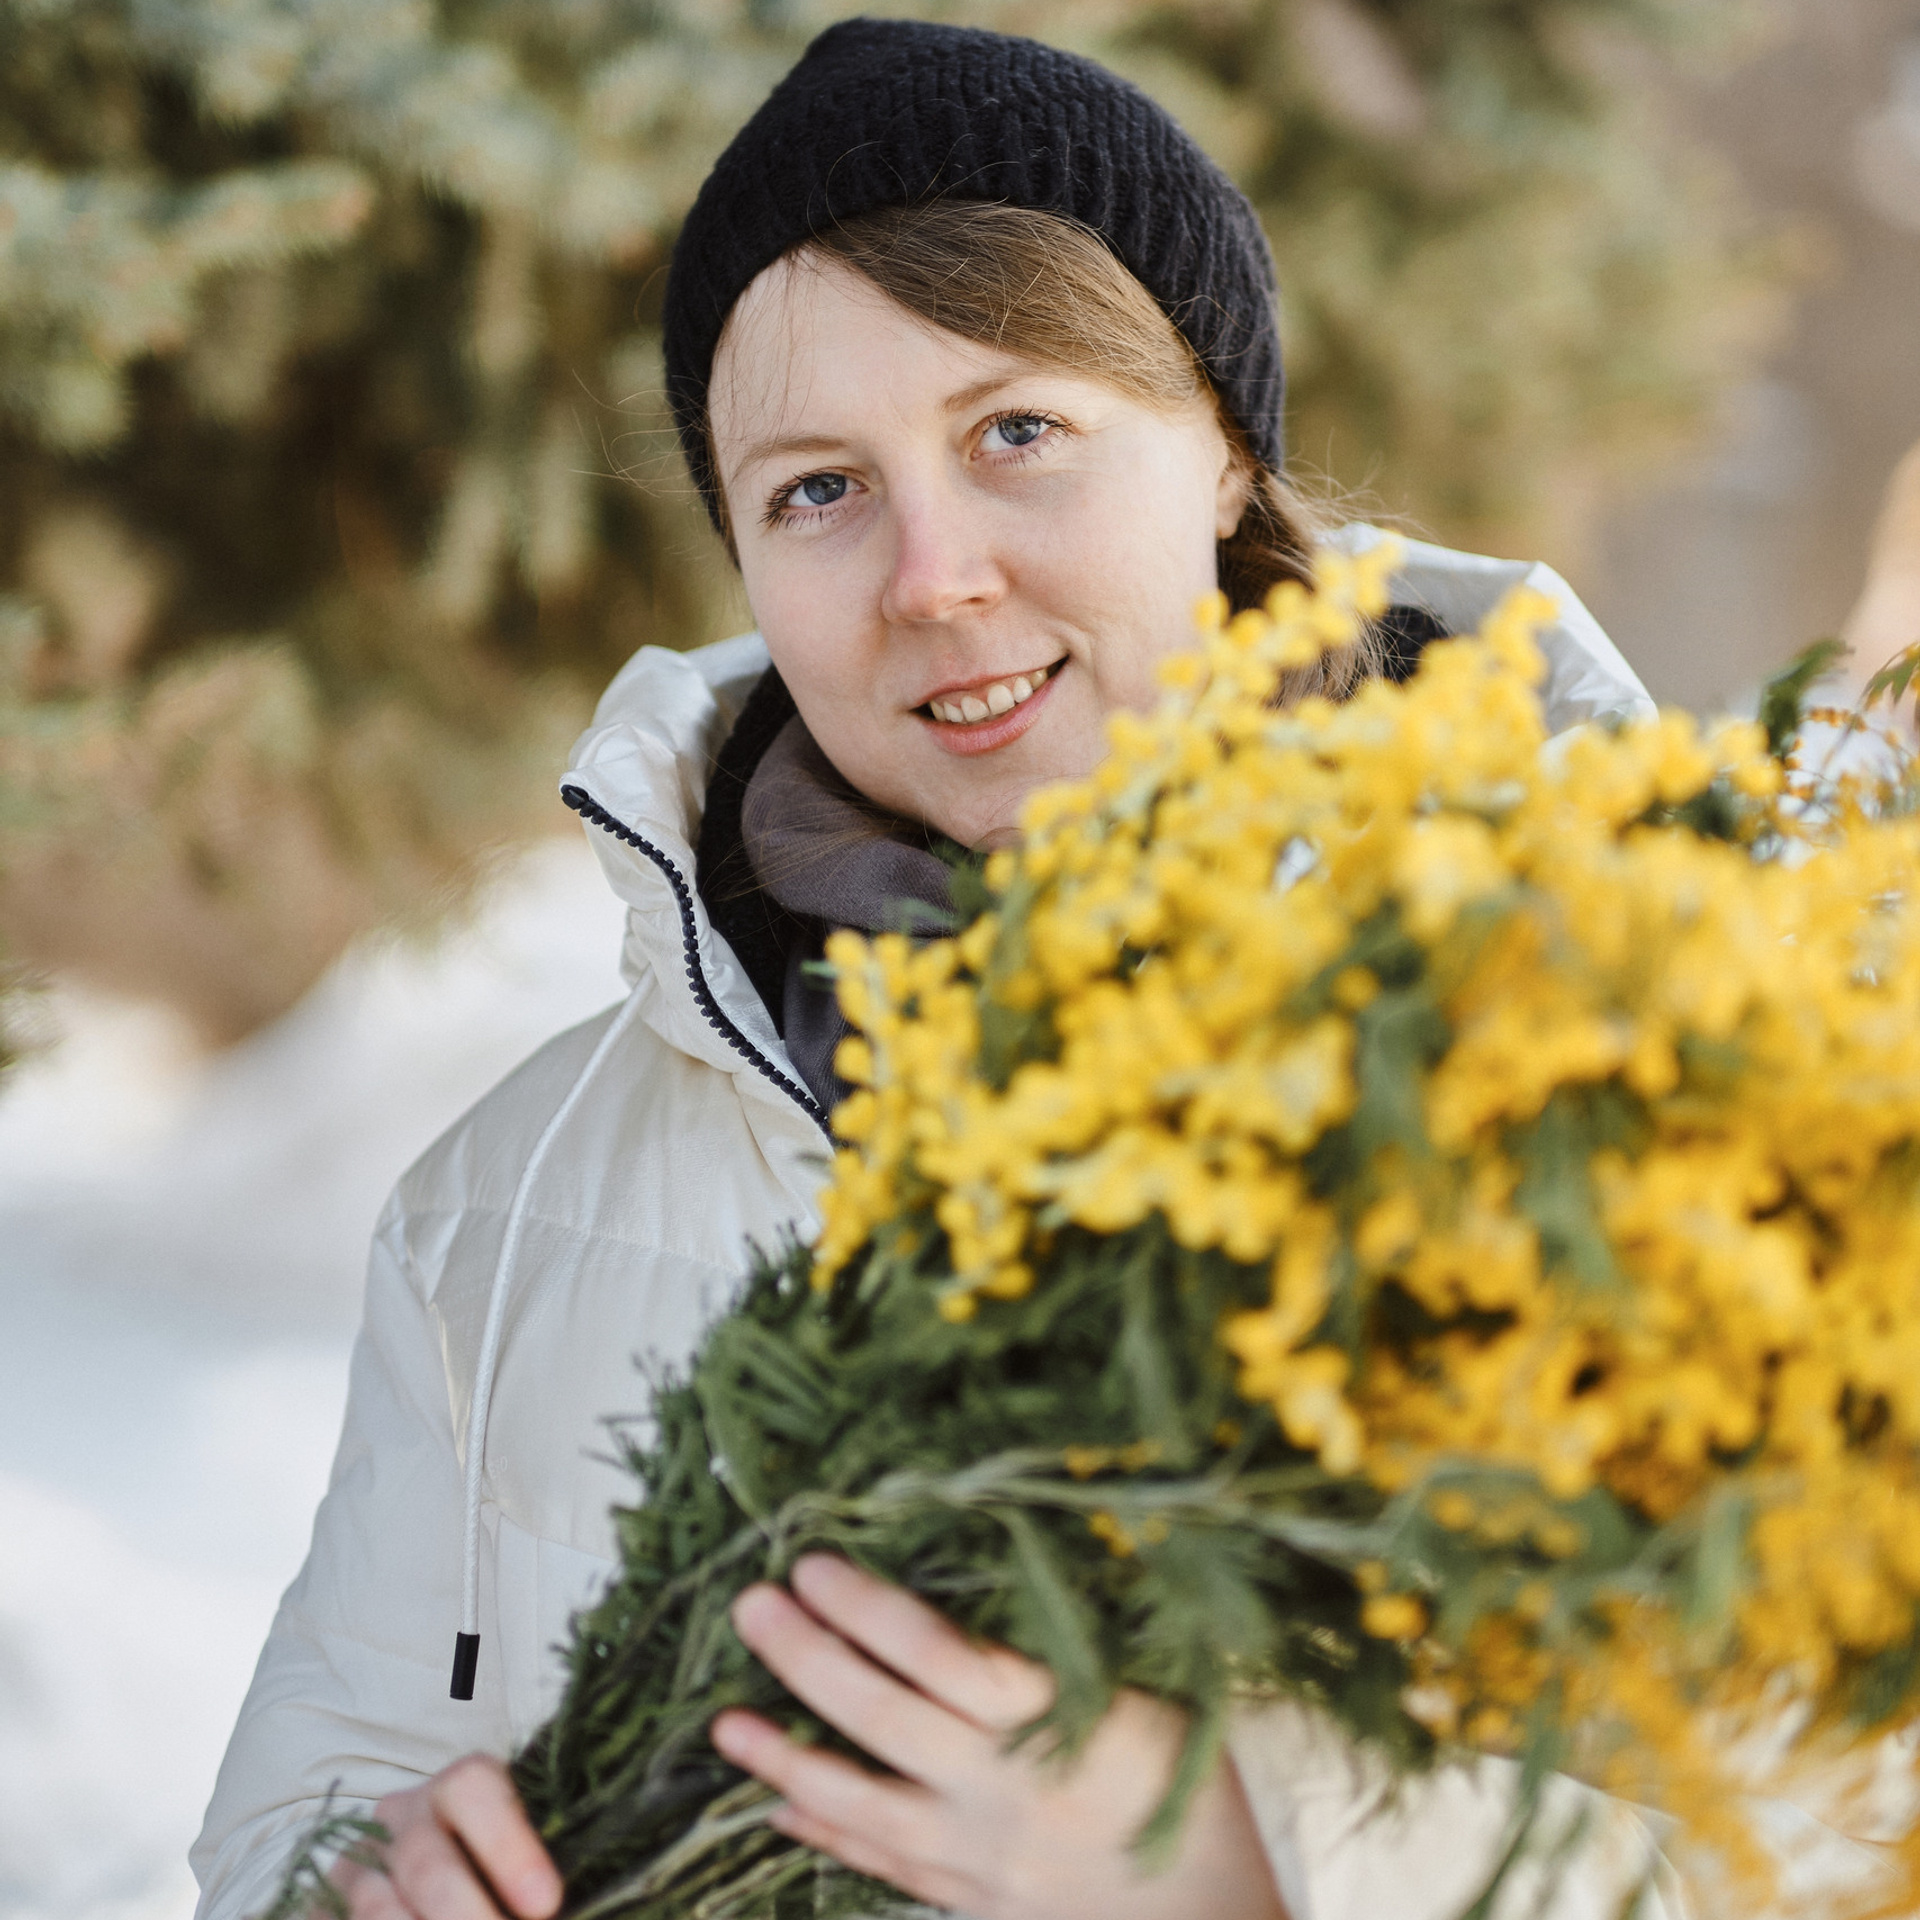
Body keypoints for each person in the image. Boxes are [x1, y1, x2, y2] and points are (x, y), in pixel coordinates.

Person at [191, 20, 1679, 1920]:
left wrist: (1257, 1863)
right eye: (818, 488)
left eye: (1019, 433)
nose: (933, 574)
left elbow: (1849, 1827)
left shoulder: (1648, 1060)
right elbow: (311, 1804)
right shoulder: (507, 1205)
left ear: (1222, 446)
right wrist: (354, 1889)